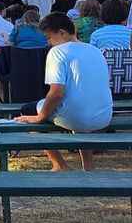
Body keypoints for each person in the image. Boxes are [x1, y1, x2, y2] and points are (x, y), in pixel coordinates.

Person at [14, 13, 112, 170]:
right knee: (77, 106)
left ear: (62, 33)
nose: (48, 43)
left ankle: (59, 164)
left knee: (28, 110)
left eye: (49, 38)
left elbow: (56, 93)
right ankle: (88, 166)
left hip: (78, 117)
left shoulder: (58, 52)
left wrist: (40, 117)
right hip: (103, 116)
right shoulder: (95, 50)